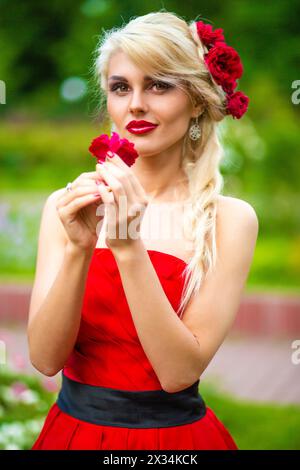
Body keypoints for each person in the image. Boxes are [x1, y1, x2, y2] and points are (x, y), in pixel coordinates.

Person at [29, 11, 258, 450]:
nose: (136, 103)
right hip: (72, 435)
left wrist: (127, 247)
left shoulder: (230, 220)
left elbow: (177, 373)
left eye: (159, 85)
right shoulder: (67, 207)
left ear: (195, 101)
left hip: (175, 443)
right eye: (121, 87)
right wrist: (79, 248)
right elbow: (44, 359)